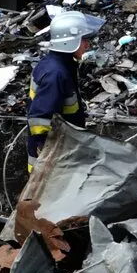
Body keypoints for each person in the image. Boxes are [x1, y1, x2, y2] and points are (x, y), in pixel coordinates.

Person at [26, 11, 103, 172]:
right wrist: (48, 154)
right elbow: (39, 120)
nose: (87, 45)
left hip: (60, 154)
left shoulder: (58, 64)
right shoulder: (56, 73)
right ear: (70, 42)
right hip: (50, 164)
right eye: (83, 40)